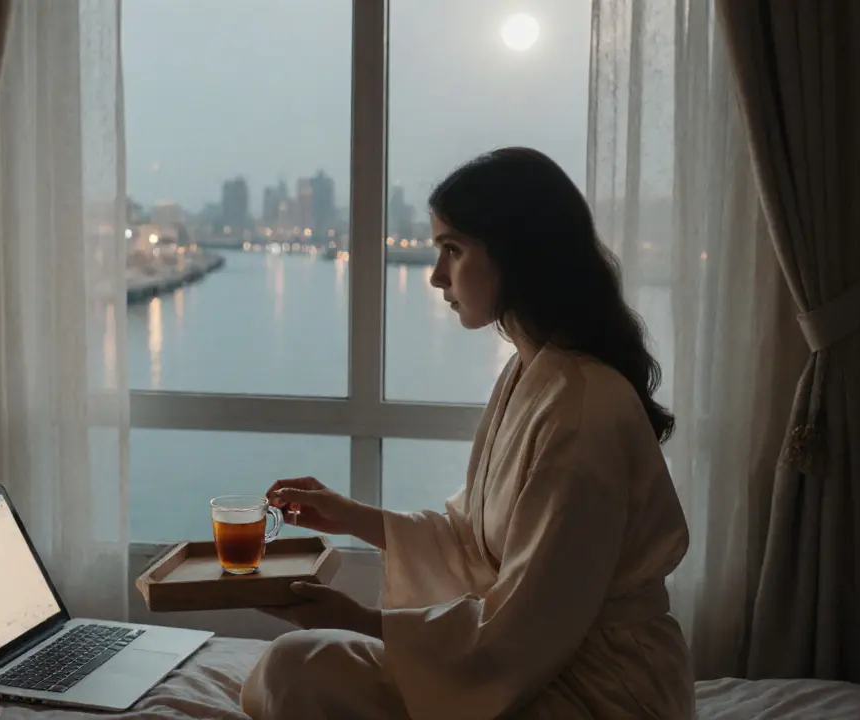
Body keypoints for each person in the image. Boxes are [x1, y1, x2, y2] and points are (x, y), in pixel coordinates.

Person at [239, 147, 694, 719]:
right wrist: (352, 517)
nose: (435, 277)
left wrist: (356, 620)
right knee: (295, 665)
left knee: (299, 668)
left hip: (596, 689)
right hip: (541, 659)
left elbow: (529, 623)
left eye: (452, 250)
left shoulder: (584, 413)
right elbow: (477, 546)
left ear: (516, 254)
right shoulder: (534, 372)